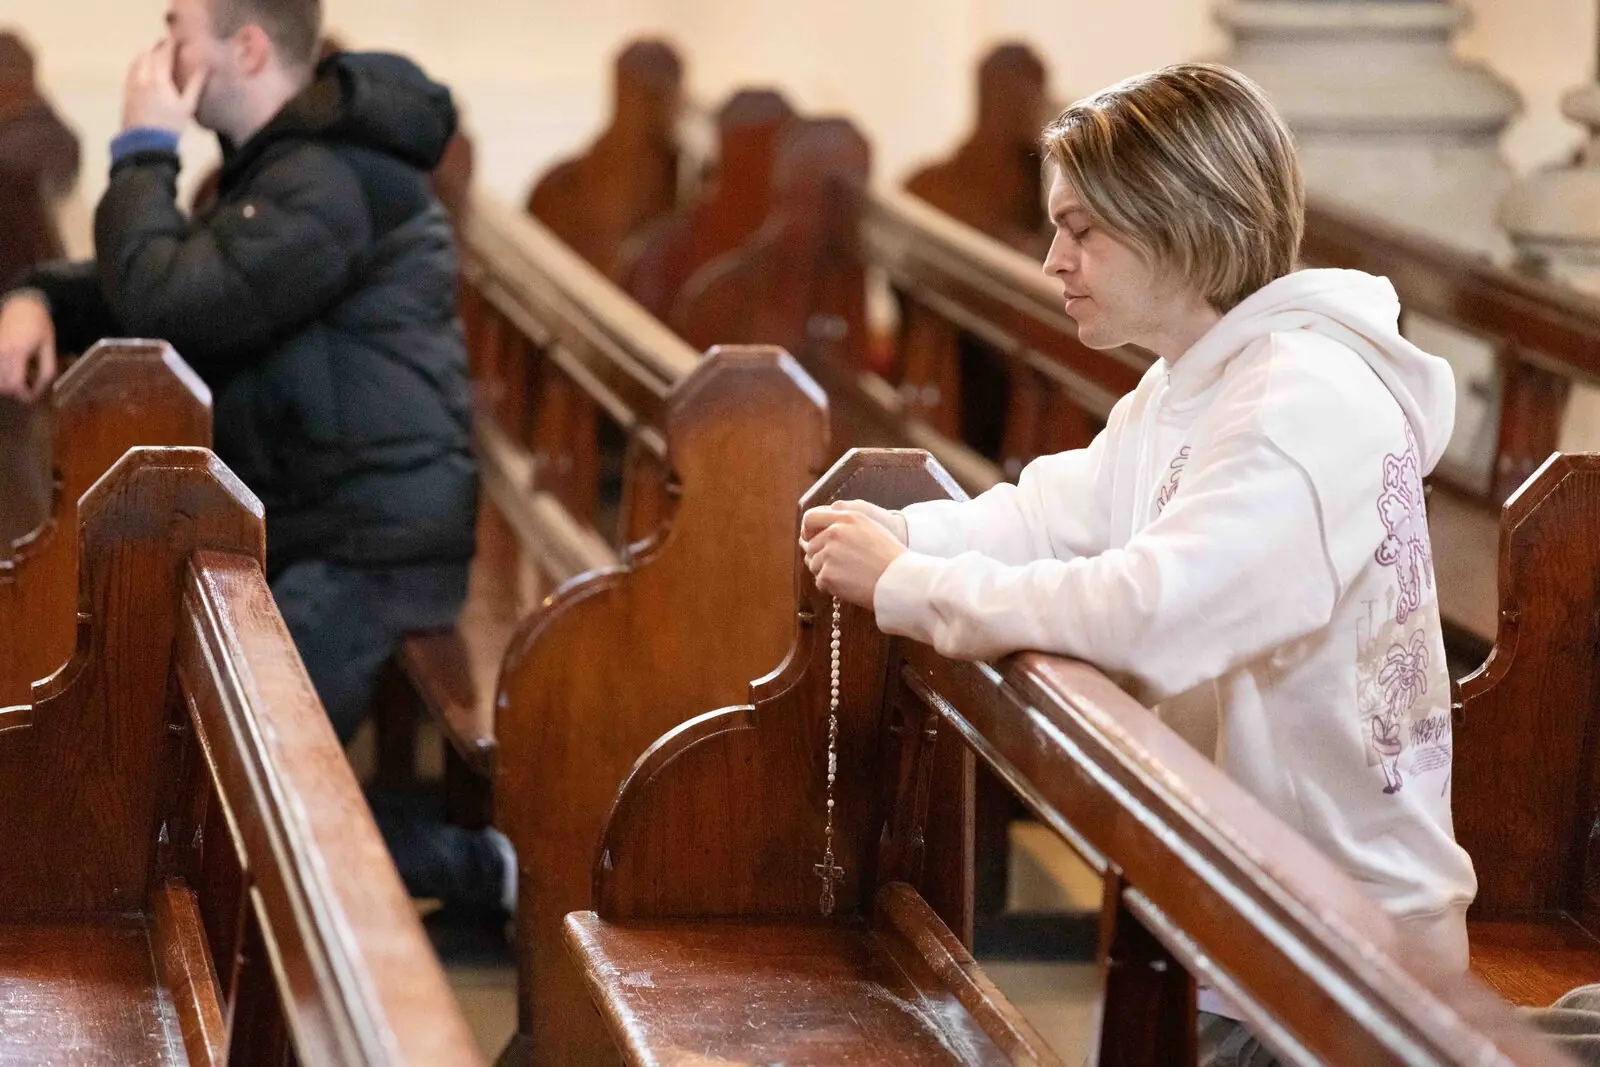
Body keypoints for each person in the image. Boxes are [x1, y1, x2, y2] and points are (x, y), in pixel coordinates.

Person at [801, 63, 1477, 1065]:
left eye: (1082, 229)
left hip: (1340, 960)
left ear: (1183, 221)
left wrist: (907, 585)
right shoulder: (1191, 382)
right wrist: (911, 535)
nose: (1051, 260)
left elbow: (1154, 612)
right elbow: (1057, 511)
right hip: (1239, 912)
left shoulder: (1300, 402)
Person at [0, 0, 509, 921]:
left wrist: (142, 149)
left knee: (212, 786)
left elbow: (176, 307)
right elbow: (183, 279)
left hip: (372, 549)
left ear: (246, 45)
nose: (162, 51)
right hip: (317, 525)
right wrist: (39, 296)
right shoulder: (286, 166)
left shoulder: (329, 178)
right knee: (182, 756)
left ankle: (477, 857)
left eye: (178, 26)